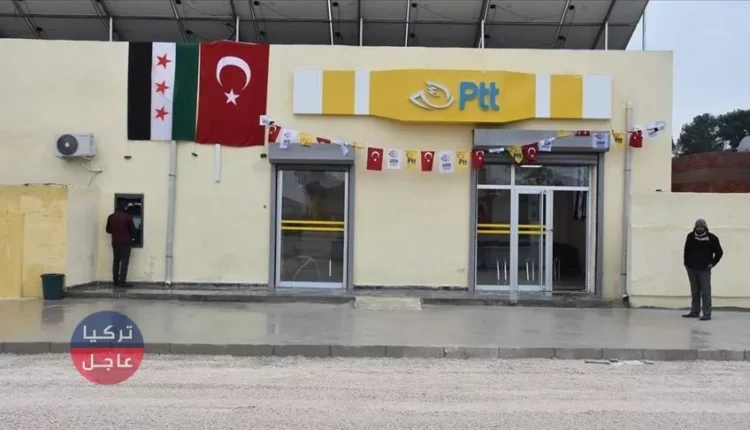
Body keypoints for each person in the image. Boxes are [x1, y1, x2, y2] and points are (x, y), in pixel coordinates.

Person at [682, 218, 723, 321]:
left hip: (704, 269)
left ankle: (707, 313)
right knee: (695, 291)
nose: (699, 228)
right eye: (697, 226)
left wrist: (712, 263)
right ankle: (695, 312)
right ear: (695, 227)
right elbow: (686, 251)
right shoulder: (690, 236)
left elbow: (719, 252)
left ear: (705, 227)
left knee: (705, 292)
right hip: (691, 269)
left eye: (701, 226)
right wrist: (686, 264)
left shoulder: (712, 238)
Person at [106, 200, 136, 287]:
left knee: (116, 261)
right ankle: (122, 282)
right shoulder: (128, 217)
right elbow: (133, 231)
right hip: (126, 242)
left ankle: (115, 281)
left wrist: (116, 232)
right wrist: (133, 237)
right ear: (125, 207)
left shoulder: (111, 217)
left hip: (115, 242)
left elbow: (108, 230)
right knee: (124, 262)